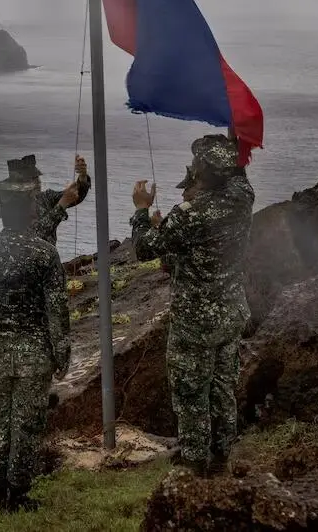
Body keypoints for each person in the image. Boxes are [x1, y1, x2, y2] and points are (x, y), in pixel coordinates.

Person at [128, 134, 254, 476]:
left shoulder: (191, 214)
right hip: (231, 312)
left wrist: (141, 212)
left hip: (196, 321)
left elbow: (145, 249)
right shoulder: (243, 198)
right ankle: (222, 456)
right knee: (223, 387)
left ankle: (195, 463)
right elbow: (238, 177)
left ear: (202, 172)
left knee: (191, 392)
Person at [0, 158, 72, 511]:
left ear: (0, 211)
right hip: (34, 354)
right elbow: (56, 310)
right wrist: (61, 353)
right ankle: (17, 495)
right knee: (26, 425)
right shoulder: (44, 253)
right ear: (29, 211)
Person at [6, 154, 91, 245]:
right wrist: (61, 206)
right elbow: (34, 236)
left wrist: (82, 176)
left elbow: (74, 196)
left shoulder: (45, 197)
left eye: (37, 177)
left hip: (49, 257)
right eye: (31, 179)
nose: (37, 182)